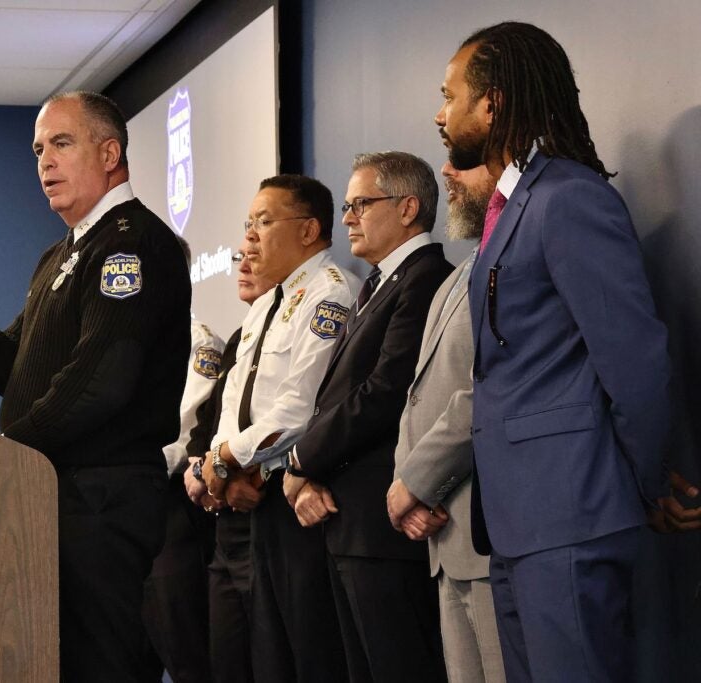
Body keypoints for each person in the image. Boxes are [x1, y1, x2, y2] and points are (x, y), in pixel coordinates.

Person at [0, 90, 191, 682]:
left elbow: (102, 381)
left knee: (103, 665)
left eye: (62, 144)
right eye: (39, 149)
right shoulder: (61, 253)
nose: (45, 162)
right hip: (60, 495)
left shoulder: (129, 243)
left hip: (106, 500)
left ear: (110, 151)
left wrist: (9, 447)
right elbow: (24, 370)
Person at [434, 22, 671, 682]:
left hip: (571, 517)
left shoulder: (568, 199)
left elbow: (635, 360)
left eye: (449, 94)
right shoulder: (512, 207)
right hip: (519, 527)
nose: (439, 111)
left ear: (493, 103)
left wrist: (648, 481)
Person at [285, 151, 452, 682]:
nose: (348, 217)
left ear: (407, 208)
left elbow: (384, 392)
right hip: (351, 524)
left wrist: (299, 457)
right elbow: (336, 397)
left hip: (385, 527)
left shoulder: (426, 279)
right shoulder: (378, 284)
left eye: (360, 204)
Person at [202, 174, 358, 682]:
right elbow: (235, 397)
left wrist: (231, 461)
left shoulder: (331, 293)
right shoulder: (268, 302)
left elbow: (301, 406)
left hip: (298, 503)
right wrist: (223, 459)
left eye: (264, 222)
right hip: (254, 501)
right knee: (268, 659)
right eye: (250, 223)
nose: (252, 236)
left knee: (311, 655)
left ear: (309, 229)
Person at [386, 161, 505, 682]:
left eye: (464, 162)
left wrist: (414, 484)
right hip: (441, 532)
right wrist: (404, 487)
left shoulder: (509, 264)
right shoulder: (458, 276)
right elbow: (416, 400)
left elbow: (487, 392)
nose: (447, 172)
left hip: (486, 531)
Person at [183, 244, 276, 683]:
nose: (243, 265)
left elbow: (290, 419)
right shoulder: (240, 337)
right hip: (223, 522)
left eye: (256, 253)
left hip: (263, 517)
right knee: (226, 664)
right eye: (239, 254)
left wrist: (220, 478)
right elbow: (209, 424)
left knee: (269, 661)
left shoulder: (205, 340)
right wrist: (203, 472)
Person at [142, 236, 224, 683]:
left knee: (188, 655)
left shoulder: (199, 345)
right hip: (116, 521)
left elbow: (183, 435)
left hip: (169, 513)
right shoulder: (115, 346)